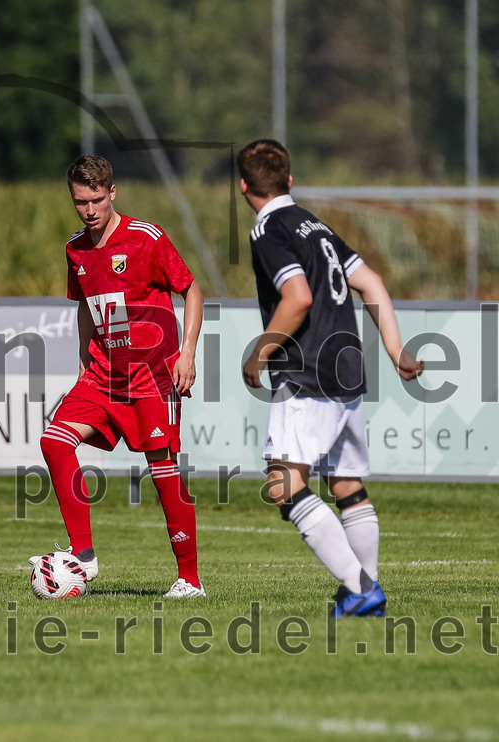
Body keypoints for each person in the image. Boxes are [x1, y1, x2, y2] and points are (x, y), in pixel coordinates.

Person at [237, 138, 424, 617]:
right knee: (345, 483)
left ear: (243, 187)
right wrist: (395, 348)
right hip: (346, 366)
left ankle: (360, 587)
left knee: (283, 482)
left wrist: (261, 350)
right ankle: (367, 592)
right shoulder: (314, 223)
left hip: (309, 368)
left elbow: (296, 297)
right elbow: (372, 283)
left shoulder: (268, 228)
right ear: (290, 181)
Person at [37, 154, 206, 598]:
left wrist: (186, 353)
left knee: (163, 471)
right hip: (101, 376)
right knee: (54, 441)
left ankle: (189, 579)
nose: (89, 210)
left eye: (96, 199)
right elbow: (85, 307)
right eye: (80, 202)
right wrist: (81, 361)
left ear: (112, 193)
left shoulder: (146, 238)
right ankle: (84, 555)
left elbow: (192, 291)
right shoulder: (76, 249)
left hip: (152, 377)